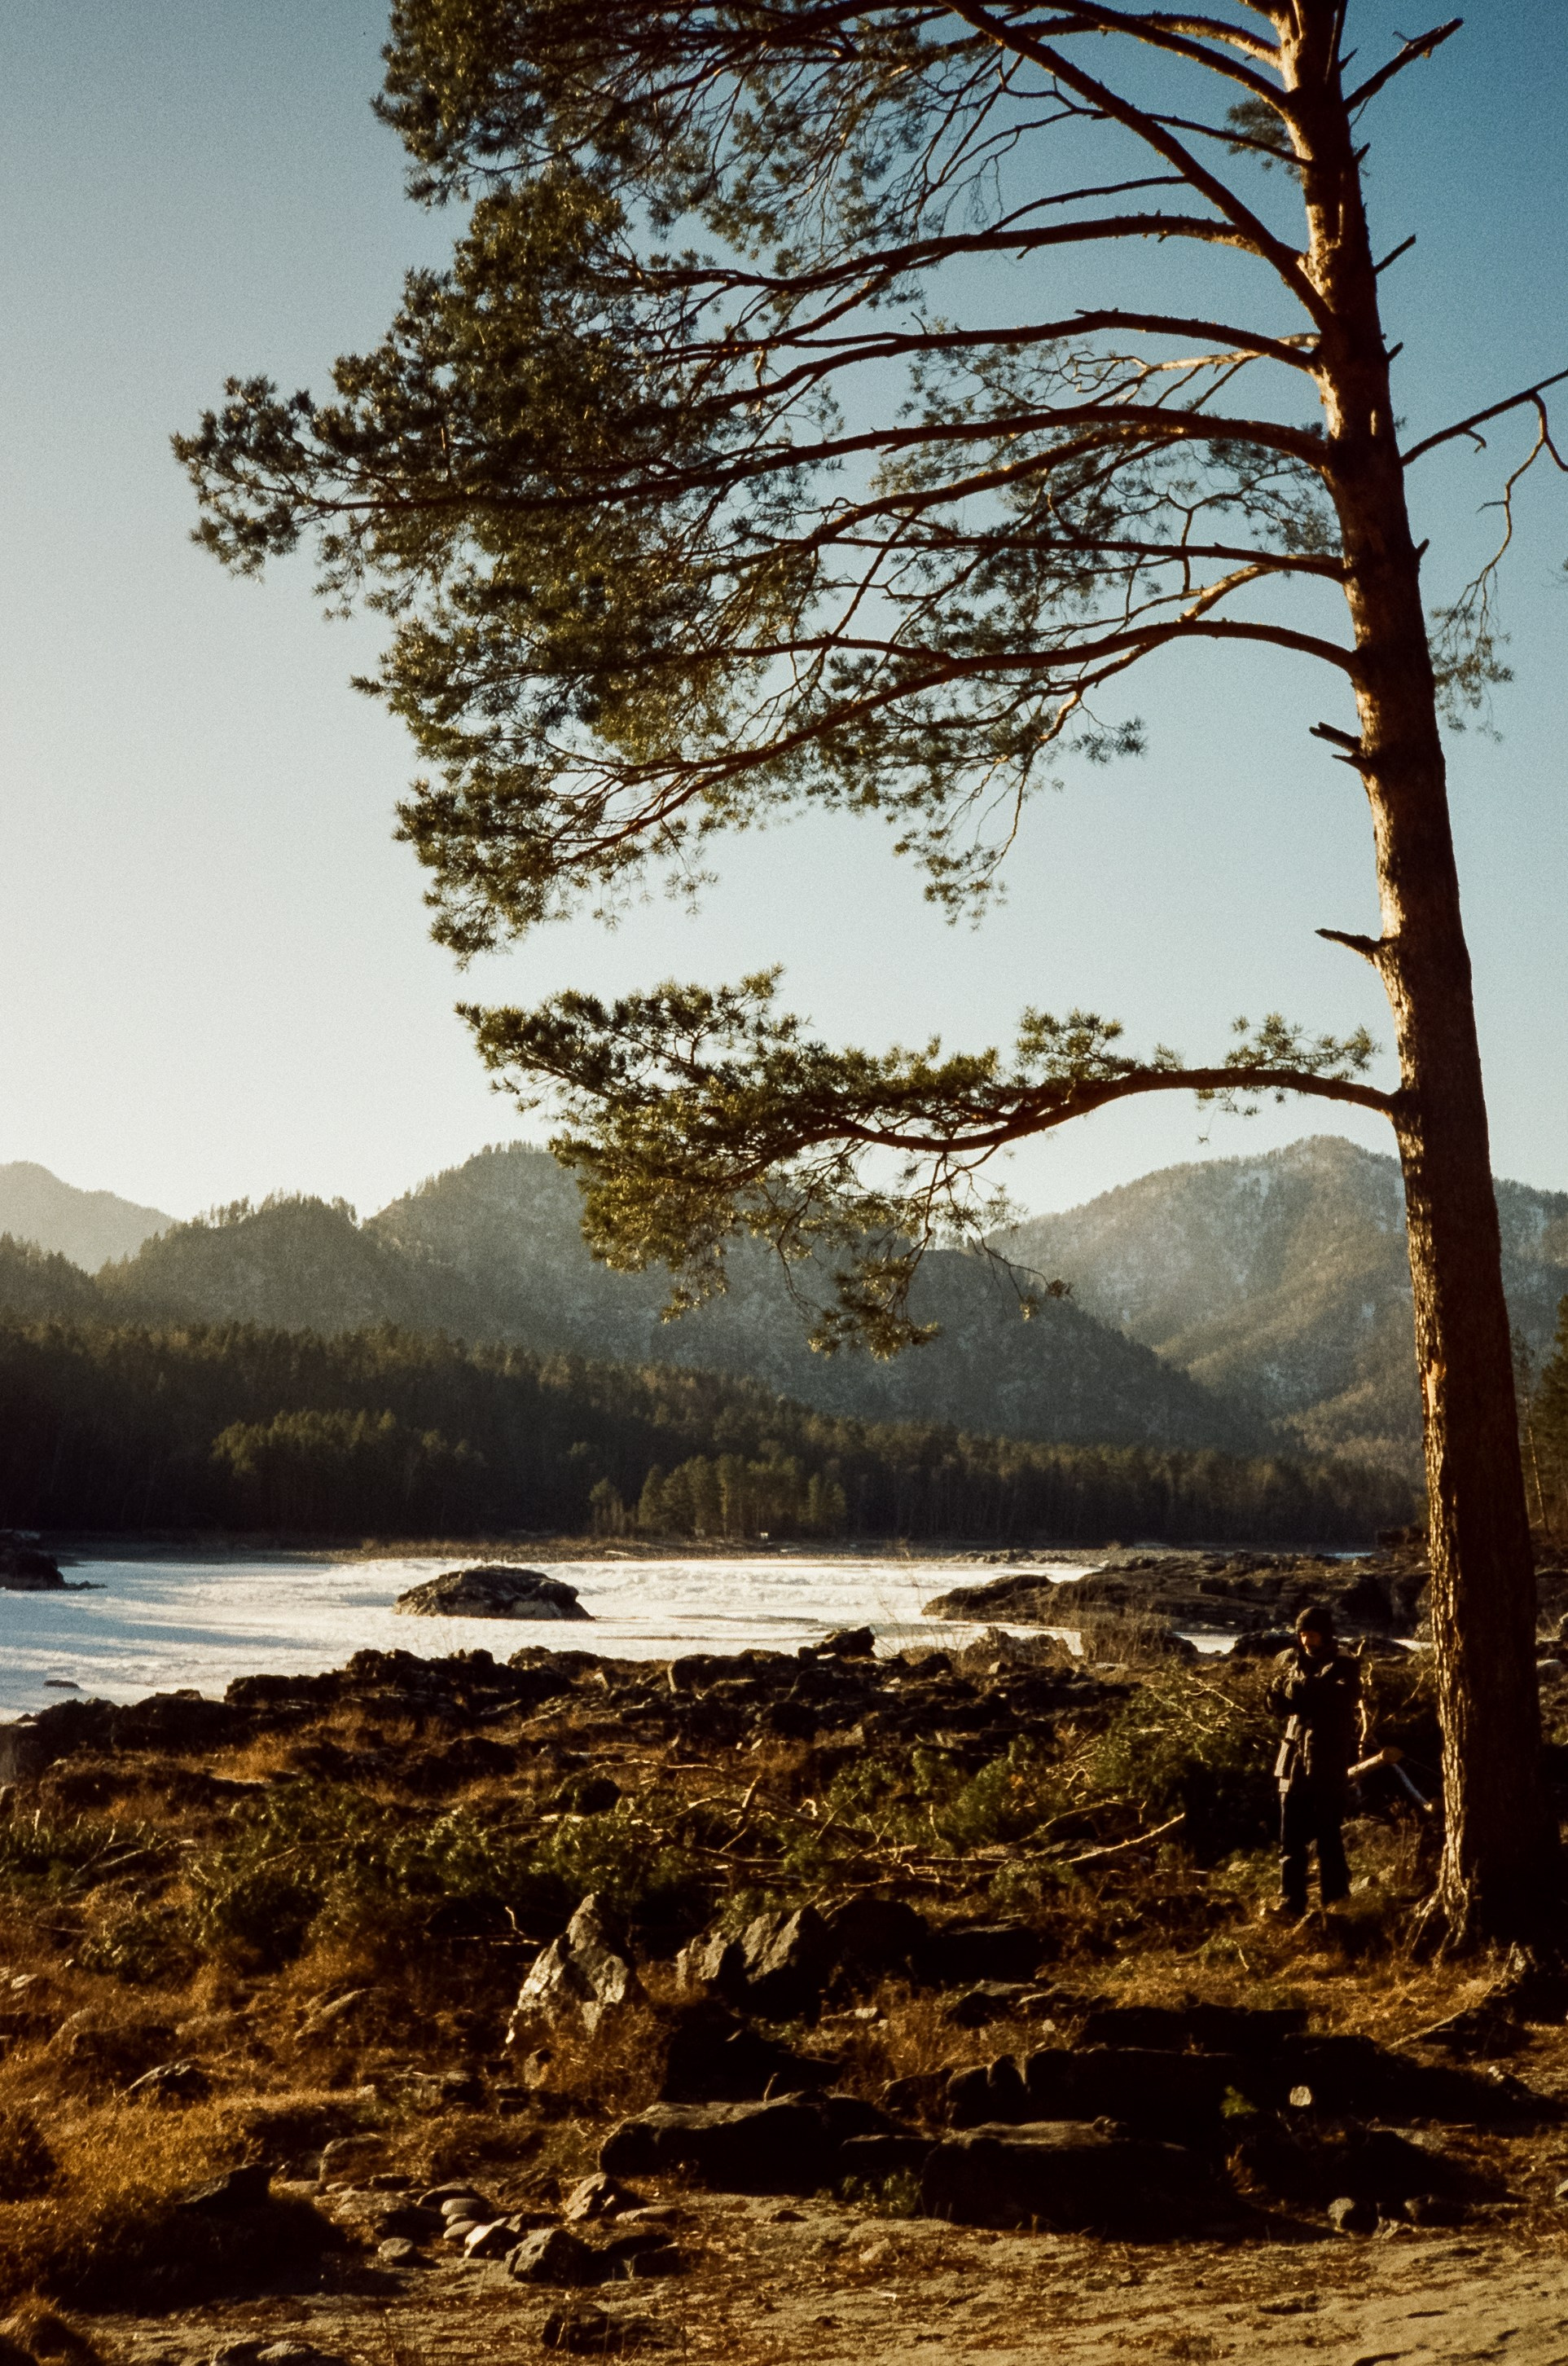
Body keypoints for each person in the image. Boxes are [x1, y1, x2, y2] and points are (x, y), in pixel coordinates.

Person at [1265, 1603, 1365, 1919]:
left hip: (1326, 1763)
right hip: (1293, 1760)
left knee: (1328, 1839)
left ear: (1326, 1635)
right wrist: (1286, 1693)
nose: (1307, 1641)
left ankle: (1336, 1903)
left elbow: (1334, 1699)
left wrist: (1295, 1689)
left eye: (1313, 1635)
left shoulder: (1345, 1664)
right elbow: (1275, 1703)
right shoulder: (1290, 1661)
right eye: (1303, 1634)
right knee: (1290, 1840)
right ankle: (1290, 1903)